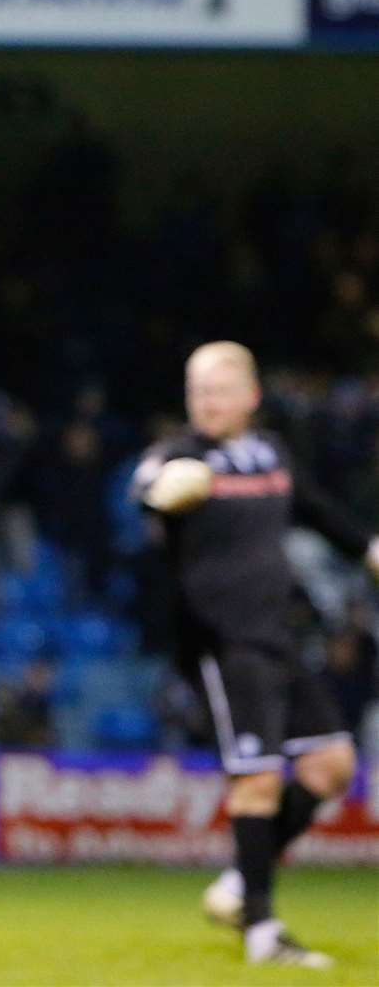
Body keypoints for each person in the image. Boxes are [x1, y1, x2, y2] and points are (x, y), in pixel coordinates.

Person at [133, 340, 379, 969]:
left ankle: (242, 882)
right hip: (222, 641)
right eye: (196, 390)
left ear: (251, 395)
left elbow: (316, 511)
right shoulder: (183, 454)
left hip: (278, 636)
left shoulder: (270, 453)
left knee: (331, 766)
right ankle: (262, 934)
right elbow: (150, 485)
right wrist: (162, 489)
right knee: (258, 780)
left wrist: (367, 547)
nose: (205, 401)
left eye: (217, 389)